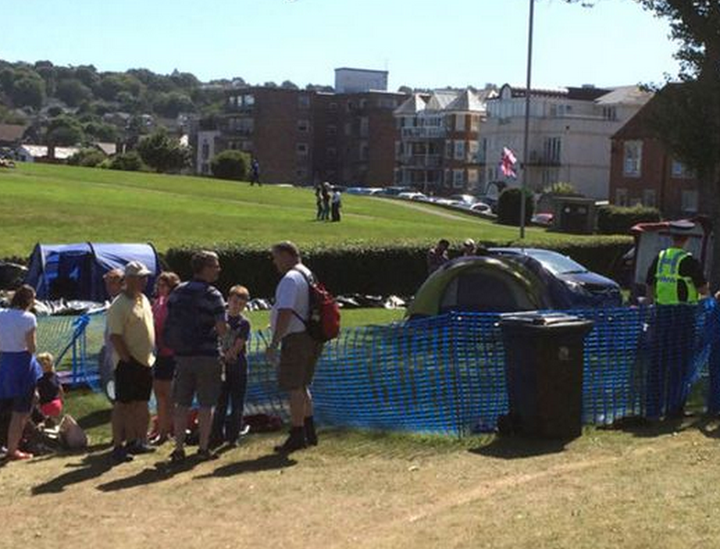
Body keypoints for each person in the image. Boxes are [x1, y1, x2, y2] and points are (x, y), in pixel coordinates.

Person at [167, 251, 228, 463]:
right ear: (205, 268)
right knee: (206, 404)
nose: (218, 269)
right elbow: (221, 328)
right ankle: (203, 448)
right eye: (215, 265)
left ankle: (178, 448)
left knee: (181, 404)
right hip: (207, 355)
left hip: (182, 355)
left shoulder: (177, 292)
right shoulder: (213, 294)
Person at [645, 220, 709, 419]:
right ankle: (675, 408)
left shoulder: (661, 257)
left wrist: (652, 305)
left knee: (658, 363)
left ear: (672, 237)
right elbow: (703, 289)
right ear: (688, 238)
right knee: (680, 363)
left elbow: (649, 284)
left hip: (662, 313)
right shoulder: (688, 261)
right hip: (683, 316)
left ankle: (654, 408)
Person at [266, 241, 324, 453]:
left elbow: (285, 311)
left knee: (294, 387)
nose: (274, 262)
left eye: (275, 257)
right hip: (312, 336)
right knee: (302, 385)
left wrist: (275, 341)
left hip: (296, 338)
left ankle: (297, 433)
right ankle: (309, 431)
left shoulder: (290, 279)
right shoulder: (308, 274)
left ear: (286, 255)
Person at [107, 261, 156, 464]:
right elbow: (115, 336)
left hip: (146, 361)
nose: (145, 280)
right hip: (128, 363)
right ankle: (119, 445)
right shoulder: (118, 305)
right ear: (129, 280)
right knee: (123, 405)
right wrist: (127, 359)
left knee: (141, 403)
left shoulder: (143, 299)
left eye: (145, 277)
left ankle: (138, 440)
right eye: (141, 277)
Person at [0, 285, 42, 460]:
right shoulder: (29, 318)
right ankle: (12, 449)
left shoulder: (2, 314)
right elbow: (31, 347)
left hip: (4, 361)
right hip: (22, 364)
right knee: (21, 411)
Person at [210, 285, 251, 448]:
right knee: (220, 402)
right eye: (234, 302)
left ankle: (233, 436)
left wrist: (229, 354)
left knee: (237, 403)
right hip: (221, 366)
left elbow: (239, 343)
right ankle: (216, 435)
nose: (236, 306)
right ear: (228, 301)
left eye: (241, 304)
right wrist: (220, 356)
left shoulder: (244, 323)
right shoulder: (221, 320)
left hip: (238, 366)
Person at [150, 271, 181, 445]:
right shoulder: (157, 303)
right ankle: (161, 430)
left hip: (171, 354)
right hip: (158, 354)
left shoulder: (174, 304)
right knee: (159, 393)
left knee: (168, 395)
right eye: (159, 285)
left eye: (164, 285)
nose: (160, 288)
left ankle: (169, 431)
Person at [99, 269, 124, 399]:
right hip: (111, 352)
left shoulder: (123, 302)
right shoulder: (114, 301)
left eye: (110, 283)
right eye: (107, 283)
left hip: (121, 354)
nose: (107, 287)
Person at [36, 352, 64, 423]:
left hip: (45, 406)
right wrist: (61, 401)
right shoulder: (55, 376)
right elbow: (60, 390)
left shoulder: (39, 380)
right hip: (57, 404)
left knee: (44, 423)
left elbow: (36, 395)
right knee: (54, 422)